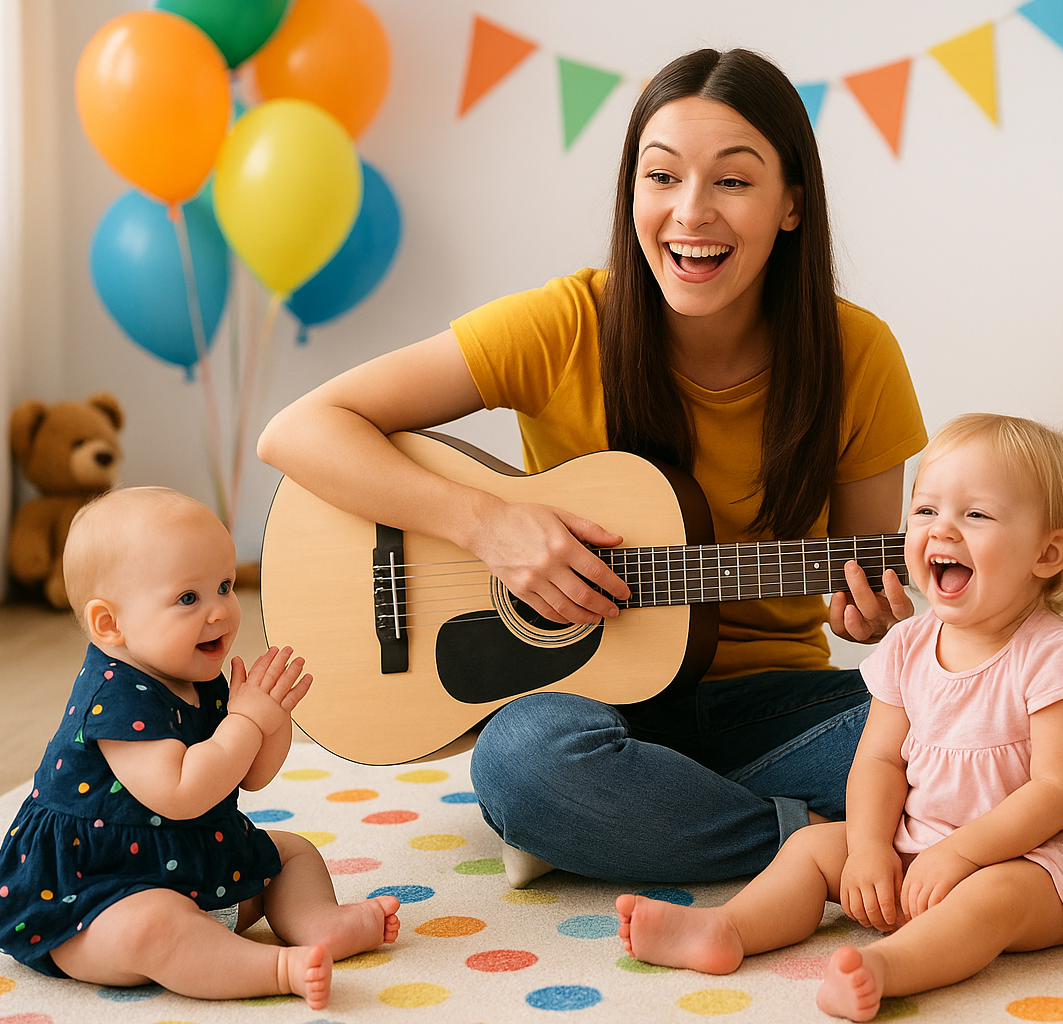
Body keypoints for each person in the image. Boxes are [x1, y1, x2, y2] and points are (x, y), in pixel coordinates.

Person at [256, 48, 927, 885]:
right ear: (632, 191)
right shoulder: (566, 323)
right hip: (585, 707)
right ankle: (816, 839)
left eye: (733, 181)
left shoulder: (857, 354)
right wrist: (487, 525)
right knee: (522, 764)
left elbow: (862, 594)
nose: (691, 212)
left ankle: (638, 822)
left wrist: (871, 622)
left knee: (964, 722)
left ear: (792, 204)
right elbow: (299, 430)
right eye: (662, 177)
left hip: (768, 705)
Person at [616, 414, 1063, 1022]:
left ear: (1048, 552)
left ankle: (887, 968)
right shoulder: (906, 644)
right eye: (925, 511)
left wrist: (965, 855)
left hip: (1043, 860)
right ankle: (725, 930)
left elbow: (1059, 791)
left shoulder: (1056, 657)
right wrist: (871, 847)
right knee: (813, 847)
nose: (940, 531)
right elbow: (877, 758)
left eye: (976, 515)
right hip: (923, 841)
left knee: (992, 899)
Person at [0, 487, 400, 1010]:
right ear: (111, 624)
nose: (221, 611)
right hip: (98, 892)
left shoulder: (197, 675)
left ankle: (318, 923)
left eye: (224, 586)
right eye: (189, 598)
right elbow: (181, 792)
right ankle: (274, 968)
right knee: (154, 927)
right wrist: (244, 721)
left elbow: (250, 775)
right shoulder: (112, 695)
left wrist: (270, 722)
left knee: (291, 854)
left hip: (196, 863)